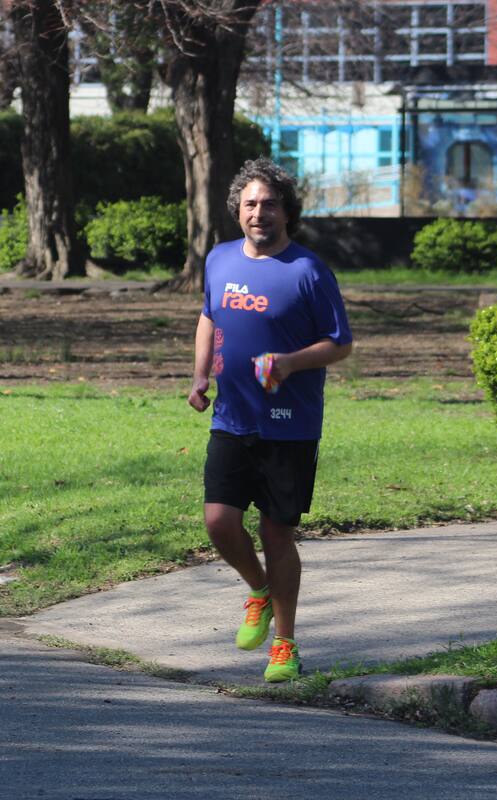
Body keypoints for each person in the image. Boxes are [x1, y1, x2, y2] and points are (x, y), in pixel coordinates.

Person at [187, 158, 353, 682]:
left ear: (287, 212)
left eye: (270, 204)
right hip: (232, 417)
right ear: (238, 209)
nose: (260, 213)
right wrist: (199, 377)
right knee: (219, 522)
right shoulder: (218, 260)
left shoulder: (308, 271)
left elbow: (340, 343)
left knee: (275, 532)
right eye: (251, 204)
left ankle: (285, 644)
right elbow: (210, 317)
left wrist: (289, 363)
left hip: (289, 425)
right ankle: (257, 589)